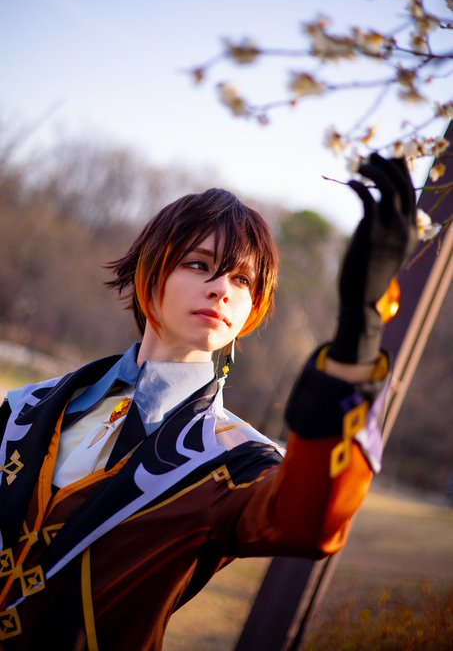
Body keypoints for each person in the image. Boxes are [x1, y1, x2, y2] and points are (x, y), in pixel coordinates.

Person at [0, 153, 417, 650]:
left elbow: (309, 524)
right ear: (149, 271)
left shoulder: (235, 459)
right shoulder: (24, 409)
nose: (221, 289)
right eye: (199, 265)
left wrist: (358, 334)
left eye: (242, 280)